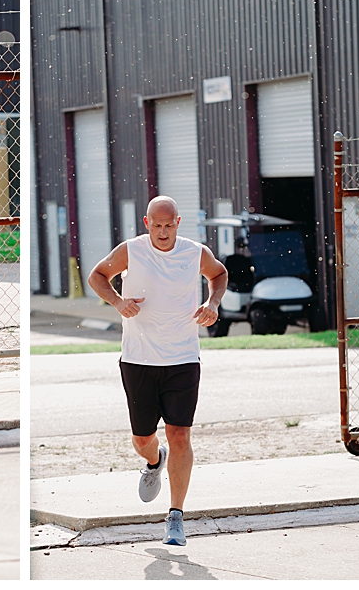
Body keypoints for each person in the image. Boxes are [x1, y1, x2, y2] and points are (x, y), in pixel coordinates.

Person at [88, 196, 228, 545]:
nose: (163, 232)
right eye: (157, 225)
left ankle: (176, 517)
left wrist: (212, 303)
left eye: (169, 225)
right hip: (138, 360)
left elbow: (219, 273)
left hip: (183, 359)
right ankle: (154, 462)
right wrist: (118, 301)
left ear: (178, 223)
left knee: (180, 434)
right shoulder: (131, 250)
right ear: (147, 223)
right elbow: (97, 276)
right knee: (142, 440)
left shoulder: (194, 252)